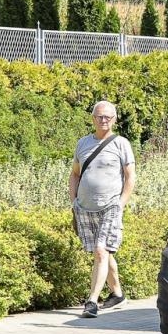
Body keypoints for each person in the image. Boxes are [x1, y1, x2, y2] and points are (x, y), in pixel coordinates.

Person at [70, 100, 136, 319]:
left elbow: (130, 177)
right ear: (93, 118)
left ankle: (92, 302)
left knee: (100, 251)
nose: (104, 120)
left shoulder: (121, 144)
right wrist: (74, 201)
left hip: (110, 206)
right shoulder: (82, 143)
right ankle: (117, 295)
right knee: (103, 253)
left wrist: (121, 203)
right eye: (100, 116)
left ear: (114, 119)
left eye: (108, 116)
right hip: (85, 208)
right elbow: (75, 173)